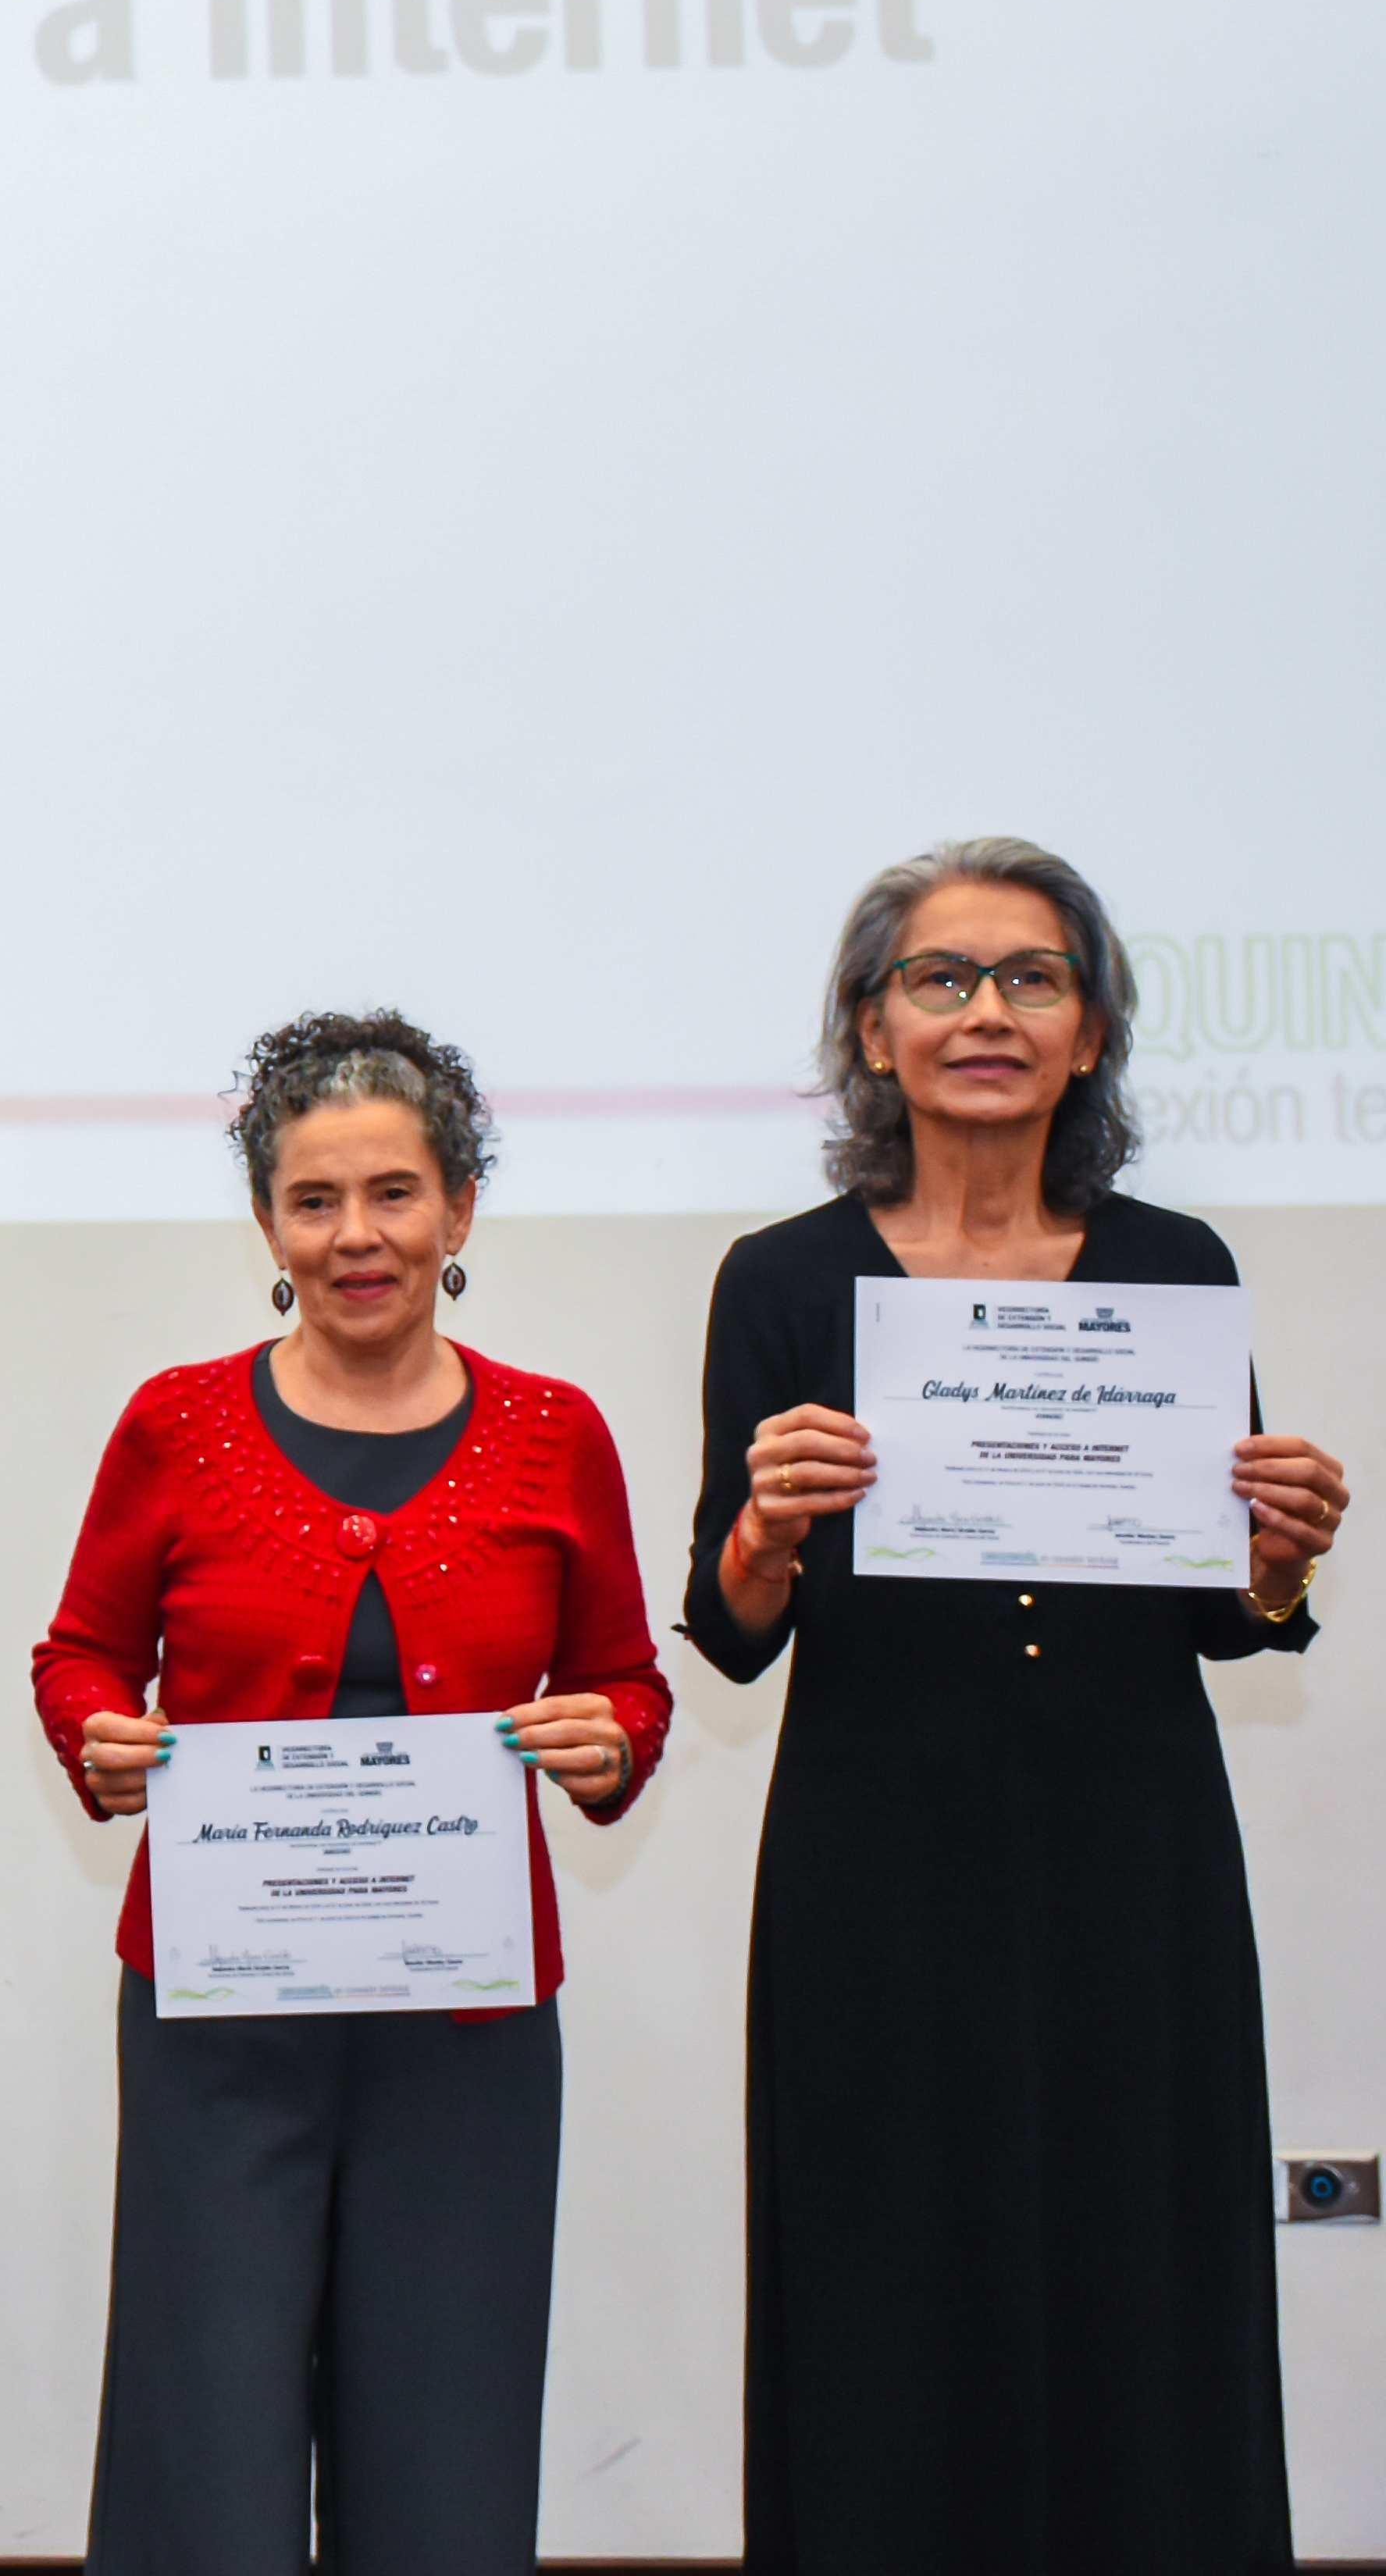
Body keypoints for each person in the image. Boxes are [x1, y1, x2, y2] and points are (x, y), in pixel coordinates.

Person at [686, 842, 1341, 2575]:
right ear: (872, 1027)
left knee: (1148, 2257)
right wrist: (768, 1526)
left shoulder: (1174, 1262)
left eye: (1033, 976)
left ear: (1095, 1026)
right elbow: (731, 1627)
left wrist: (1275, 1556)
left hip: (1136, 1861)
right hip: (875, 1865)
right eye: (944, 977)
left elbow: (1225, 1608)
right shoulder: (782, 1279)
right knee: (885, 2269)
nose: (989, 1011)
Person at [30, 1013, 668, 2576]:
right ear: (268, 1223)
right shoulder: (176, 1421)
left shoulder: (554, 1431)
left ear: (458, 1209)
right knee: (208, 2422)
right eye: (315, 1200)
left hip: (466, 2029)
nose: (356, 1234)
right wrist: (104, 1735)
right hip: (222, 2023)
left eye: (394, 1192)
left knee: (446, 2429)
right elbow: (80, 1655)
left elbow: (633, 1680)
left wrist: (612, 1743)